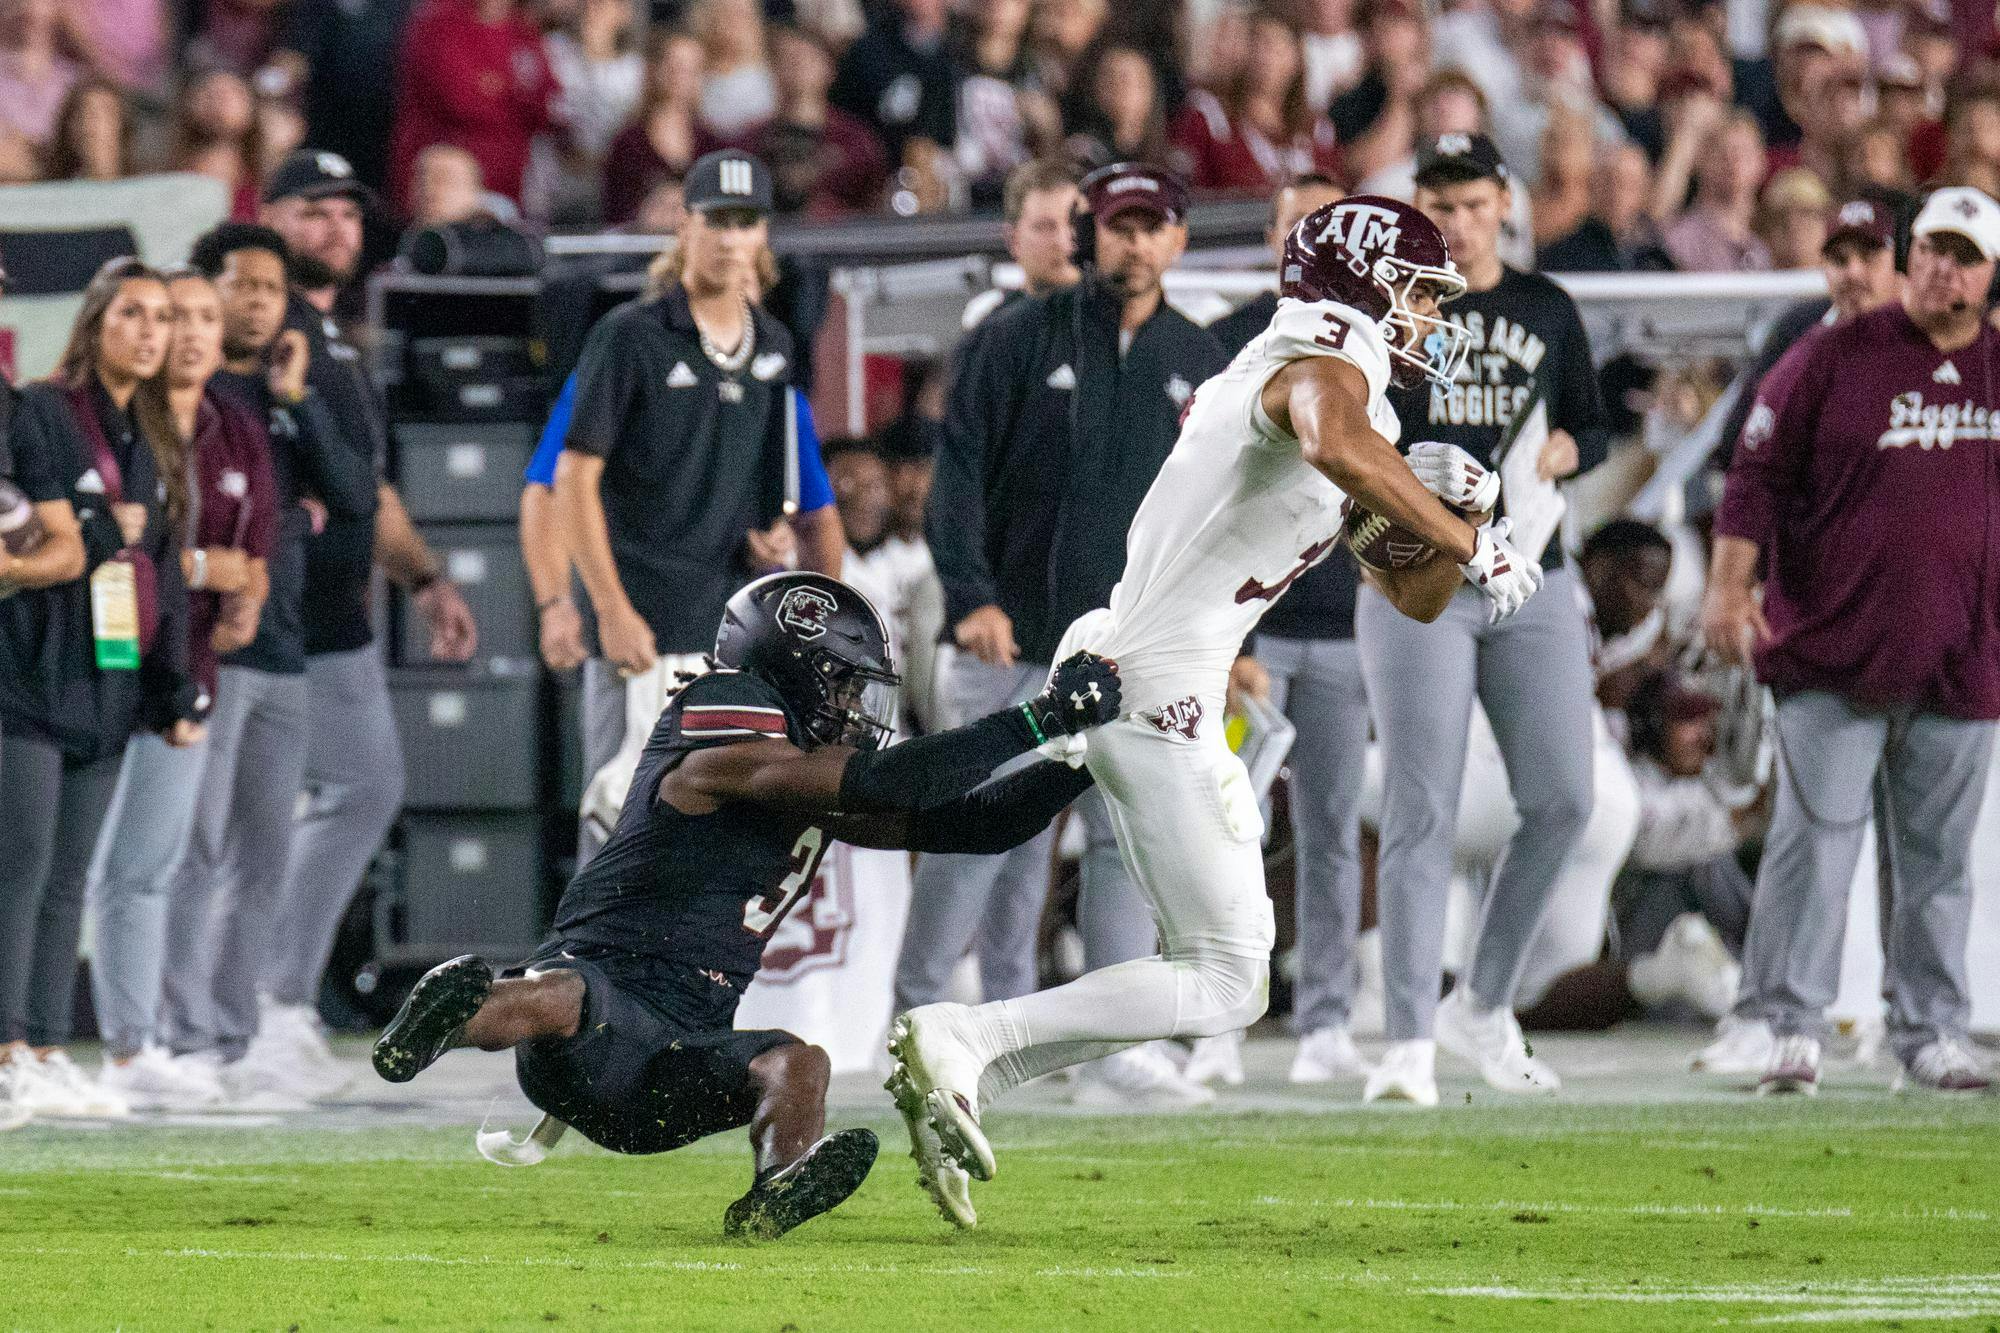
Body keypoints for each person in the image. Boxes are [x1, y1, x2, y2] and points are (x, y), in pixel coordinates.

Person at [885, 196, 1537, 1198]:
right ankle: (963, 1035)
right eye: (1413, 289)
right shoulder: (1324, 359)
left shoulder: (1343, 388)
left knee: (1220, 972)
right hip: (1152, 683)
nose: (1427, 317)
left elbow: (1406, 595)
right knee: (1227, 975)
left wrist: (1466, 507)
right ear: (1361, 282)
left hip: (1151, 671)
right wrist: (1468, 539)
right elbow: (1326, 436)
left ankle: (964, 1067)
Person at [372, 573, 1122, 1236]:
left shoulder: (801, 767)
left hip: (674, 1057)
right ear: (791, 669)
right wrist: (1038, 718)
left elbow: (978, 823)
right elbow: (887, 782)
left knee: (800, 1063)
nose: (856, 705)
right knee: (568, 994)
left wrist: (1094, 758)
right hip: (597, 1009)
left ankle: (776, 1186)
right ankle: (449, 1019)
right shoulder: (730, 712)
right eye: (843, 682)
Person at [907, 162, 1230, 1109]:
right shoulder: (1014, 339)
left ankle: (1101, 1043)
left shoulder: (1201, 359)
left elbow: (1219, 514)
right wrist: (970, 594)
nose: (1134, 243)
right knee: (979, 836)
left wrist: (1215, 633)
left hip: (1135, 651)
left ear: (1177, 239)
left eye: (1152, 226)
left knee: (1126, 840)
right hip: (1012, 640)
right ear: (1091, 232)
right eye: (1118, 225)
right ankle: (917, 1008)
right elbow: (956, 477)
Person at [1699, 186, 2000, 1097]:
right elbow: (1753, 470)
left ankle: (1932, 1028)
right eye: (1931, 249)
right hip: (1833, 646)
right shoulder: (1831, 357)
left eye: (1964, 253)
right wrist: (1727, 583)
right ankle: (1792, 1024)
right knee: (1814, 844)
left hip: (1964, 653)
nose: (1942, 266)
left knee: (1939, 862)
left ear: (1991, 275)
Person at [1361, 133, 1608, 1106]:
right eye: (1438, 204)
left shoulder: (1545, 308)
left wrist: (1561, 452)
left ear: (1502, 204)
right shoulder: (1391, 309)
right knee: (1417, 806)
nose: (1456, 223)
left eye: (1470, 204)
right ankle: (1406, 1042)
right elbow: (1354, 432)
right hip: (1415, 574)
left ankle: (1482, 1003)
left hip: (1529, 575)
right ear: (1417, 209)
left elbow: (1589, 422)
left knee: (1563, 799)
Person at [253, 150, 479, 1087]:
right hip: (267, 612)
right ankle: (254, 1005)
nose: (338, 229)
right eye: (314, 212)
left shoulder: (339, 342)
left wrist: (425, 578)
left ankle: (276, 997)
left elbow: (368, 485)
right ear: (266, 218)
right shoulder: (262, 330)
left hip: (339, 613)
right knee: (252, 819)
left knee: (364, 787)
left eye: (349, 214)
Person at [556, 151, 842, 860]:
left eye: (745, 224)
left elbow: (771, 493)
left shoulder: (773, 346)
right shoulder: (630, 336)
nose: (729, 239)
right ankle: (589, 971)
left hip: (725, 628)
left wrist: (769, 539)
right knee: (615, 824)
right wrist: (608, 607)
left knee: (706, 833)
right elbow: (572, 478)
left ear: (763, 236)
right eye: (716, 221)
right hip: (640, 623)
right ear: (684, 226)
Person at [157, 224, 378, 1104]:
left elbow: (356, 497)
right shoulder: (186, 395)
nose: (254, 301)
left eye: (268, 288)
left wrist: (300, 399)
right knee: (197, 849)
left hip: (287, 648)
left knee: (264, 853)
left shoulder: (281, 394)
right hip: (211, 645)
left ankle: (236, 1030)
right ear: (205, 294)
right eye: (238, 285)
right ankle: (183, 1035)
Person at [0, 259, 204, 1119]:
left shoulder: (152, 436)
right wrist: (84, 528)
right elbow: (44, 529)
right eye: (133, 313)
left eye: (162, 316)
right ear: (95, 323)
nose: (152, 331)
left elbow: (158, 573)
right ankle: (7, 1045)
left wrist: (172, 691)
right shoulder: (46, 410)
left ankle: (45, 1044)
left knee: (68, 879)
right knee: (20, 867)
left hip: (107, 684)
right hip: (29, 675)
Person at [85, 263, 283, 1111]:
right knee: (100, 871)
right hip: (111, 670)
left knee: (152, 868)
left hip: (189, 671)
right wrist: (208, 567)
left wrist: (244, 591)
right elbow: (148, 553)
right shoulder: (115, 423)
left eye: (201, 316)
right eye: (171, 316)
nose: (189, 332)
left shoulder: (233, 427)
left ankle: (144, 1041)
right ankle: (124, 1038)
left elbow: (259, 550)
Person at [1198, 172, 1374, 1089]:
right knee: (1220, 823)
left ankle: (1327, 1017)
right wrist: (1227, 636)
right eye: (1295, 223)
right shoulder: (1230, 341)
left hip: (1345, 625)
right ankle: (1215, 1016)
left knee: (1333, 827)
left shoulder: (1380, 349)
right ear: (1274, 236)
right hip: (1246, 629)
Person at [0, 257, 89, 1125]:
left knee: (25, 865)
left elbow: (66, 545)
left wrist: (10, 563)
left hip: (16, 674)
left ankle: (17, 1047)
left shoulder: (24, 413)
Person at [1713, 199, 1900, 472]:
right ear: (1824, 268)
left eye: (1869, 258)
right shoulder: (1797, 331)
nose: (1853, 272)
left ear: (1897, 267)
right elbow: (1737, 442)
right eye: (1840, 260)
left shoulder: (1923, 336)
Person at [386, 0, 556, 215]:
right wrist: (514, 95)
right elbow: (462, 101)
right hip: (445, 188)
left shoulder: (524, 32)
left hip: (510, 186)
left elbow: (545, 107)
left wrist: (498, 88)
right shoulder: (439, 21)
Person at [1169, 9, 1341, 194]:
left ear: (1298, 60)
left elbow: (1333, 195)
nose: (1268, 60)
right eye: (1261, 45)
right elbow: (1184, 191)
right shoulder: (1209, 118)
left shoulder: (1317, 130)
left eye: (1279, 49)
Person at [601, 30, 713, 227]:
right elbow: (615, 213)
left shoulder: (710, 143)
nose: (679, 76)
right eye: (673, 66)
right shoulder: (628, 143)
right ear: (654, 69)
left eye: (690, 69)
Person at [958, 158, 1077, 334]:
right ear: (1013, 240)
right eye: (1044, 227)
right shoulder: (990, 322)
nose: (1063, 241)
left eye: (1074, 223)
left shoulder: (1116, 317)